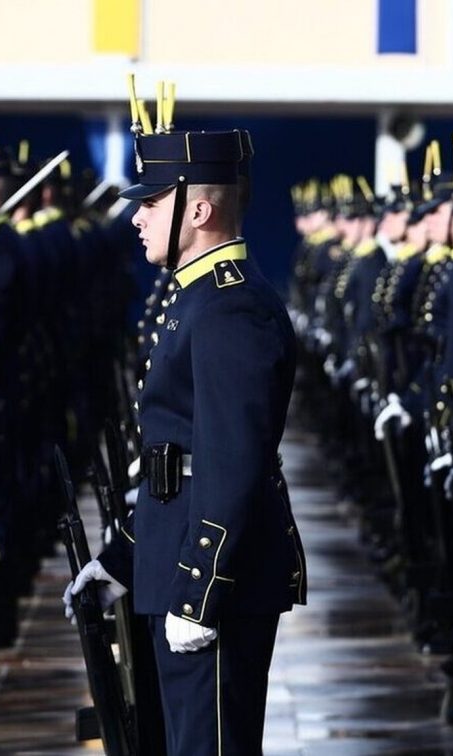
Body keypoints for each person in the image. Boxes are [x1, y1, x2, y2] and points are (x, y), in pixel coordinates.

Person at [66, 119, 305, 755]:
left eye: (151, 201)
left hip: (214, 578)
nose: (137, 217)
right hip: (179, 563)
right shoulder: (197, 299)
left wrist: (200, 591)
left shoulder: (231, 309)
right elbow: (172, 463)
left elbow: (231, 466)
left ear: (198, 209)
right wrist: (121, 559)